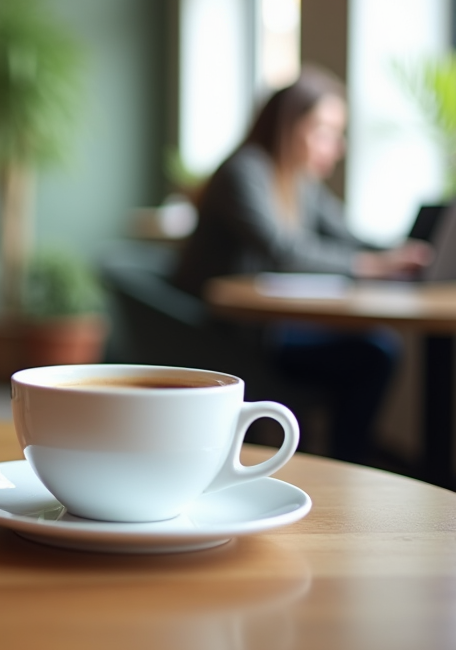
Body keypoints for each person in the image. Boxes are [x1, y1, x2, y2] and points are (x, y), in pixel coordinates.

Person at [173, 66, 432, 463]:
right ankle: (347, 463)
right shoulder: (245, 171)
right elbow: (284, 250)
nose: (337, 146)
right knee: (376, 352)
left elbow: (345, 234)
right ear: (288, 126)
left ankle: (340, 459)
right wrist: (370, 266)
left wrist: (403, 252)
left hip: (269, 326)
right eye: (325, 131)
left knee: (375, 346)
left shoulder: (298, 180)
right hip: (232, 336)